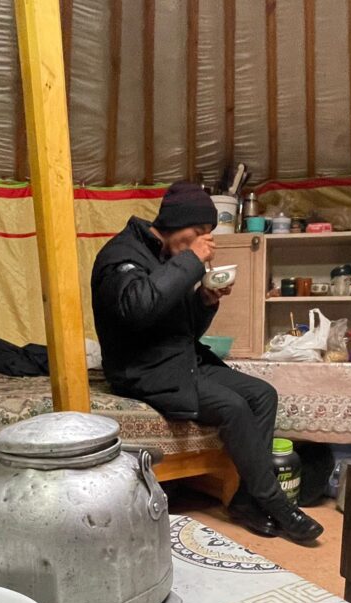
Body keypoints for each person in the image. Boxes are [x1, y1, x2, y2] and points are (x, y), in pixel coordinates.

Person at [91, 181, 323, 544]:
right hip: (141, 369)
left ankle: (245, 500)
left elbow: (185, 330)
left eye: (208, 234)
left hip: (180, 360)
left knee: (263, 394)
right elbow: (137, 310)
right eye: (198, 232)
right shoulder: (120, 255)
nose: (205, 242)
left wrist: (205, 302)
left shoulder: (169, 258)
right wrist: (189, 261)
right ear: (172, 222)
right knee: (232, 406)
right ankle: (274, 501)